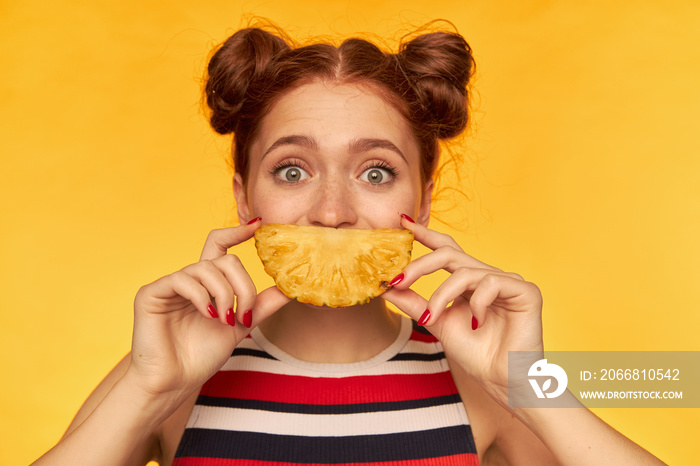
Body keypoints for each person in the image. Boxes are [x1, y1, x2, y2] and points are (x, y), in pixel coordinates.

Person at [33, 22, 664, 466]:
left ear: (419, 200)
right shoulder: (167, 372)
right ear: (244, 198)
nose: (332, 212)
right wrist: (147, 391)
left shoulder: (477, 381)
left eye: (376, 173)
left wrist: (530, 387)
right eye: (291, 170)